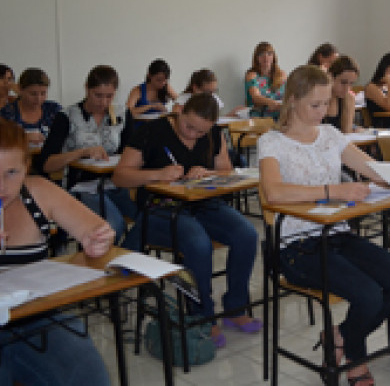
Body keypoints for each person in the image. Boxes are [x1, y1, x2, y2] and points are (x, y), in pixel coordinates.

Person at [258, 65, 390, 386]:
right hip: (295, 247)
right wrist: (334, 191)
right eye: (314, 105)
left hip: (337, 235)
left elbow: (374, 170)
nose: (322, 112)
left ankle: (340, 335)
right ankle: (355, 361)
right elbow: (274, 192)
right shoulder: (271, 142)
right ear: (291, 101)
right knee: (369, 296)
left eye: (325, 104)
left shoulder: (330, 135)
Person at [113, 93, 261, 348]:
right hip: (159, 209)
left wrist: (208, 173)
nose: (193, 135)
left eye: (201, 132)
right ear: (179, 110)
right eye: (189, 127)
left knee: (247, 234)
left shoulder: (214, 134)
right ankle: (201, 315)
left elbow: (226, 170)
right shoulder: (151, 131)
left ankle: (235, 308)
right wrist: (158, 174)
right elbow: (120, 177)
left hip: (201, 203)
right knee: (198, 243)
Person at [0, 119, 115, 385]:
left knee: (91, 377)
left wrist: (98, 238)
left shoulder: (38, 191)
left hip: (36, 317)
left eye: (12, 172)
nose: (2, 186)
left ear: (27, 167)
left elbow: (95, 228)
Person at [34, 65, 137, 242]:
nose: (104, 102)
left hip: (115, 184)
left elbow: (131, 152)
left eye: (109, 96)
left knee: (147, 220)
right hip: (81, 186)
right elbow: (46, 163)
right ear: (86, 89)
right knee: (114, 225)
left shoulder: (122, 114)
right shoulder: (67, 116)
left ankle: (125, 259)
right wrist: (81, 152)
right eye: (98, 95)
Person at [0, 67, 62, 143]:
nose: (38, 99)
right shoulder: (6, 114)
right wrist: (23, 138)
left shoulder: (54, 109)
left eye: (43, 93)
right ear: (20, 89)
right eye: (33, 94)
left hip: (51, 154)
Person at [174, 68, 245, 116]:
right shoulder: (184, 99)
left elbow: (216, 120)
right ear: (195, 88)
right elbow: (176, 117)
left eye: (214, 91)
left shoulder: (214, 98)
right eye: (207, 91)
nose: (211, 95)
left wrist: (232, 114)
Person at [245, 41, 286, 119]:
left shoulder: (282, 75)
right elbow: (256, 97)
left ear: (274, 56)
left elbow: (288, 95)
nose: (266, 57)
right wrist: (270, 102)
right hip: (259, 112)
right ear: (257, 58)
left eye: (269, 54)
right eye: (261, 54)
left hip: (280, 111)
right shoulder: (252, 75)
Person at [324, 55, 360, 133]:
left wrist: (347, 105)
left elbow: (346, 132)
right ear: (330, 77)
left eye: (351, 83)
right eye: (343, 82)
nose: (347, 89)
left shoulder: (349, 98)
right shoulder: (318, 98)